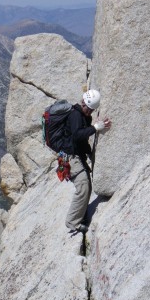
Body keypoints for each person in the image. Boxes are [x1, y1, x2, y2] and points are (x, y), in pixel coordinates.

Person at [61, 89, 111, 234]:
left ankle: (79, 216)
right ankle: (72, 222)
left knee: (87, 186)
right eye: (89, 109)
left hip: (76, 156)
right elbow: (77, 136)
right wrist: (95, 128)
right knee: (83, 186)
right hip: (71, 158)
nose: (90, 112)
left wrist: (90, 152)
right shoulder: (76, 115)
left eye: (91, 110)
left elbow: (81, 140)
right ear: (85, 104)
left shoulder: (82, 116)